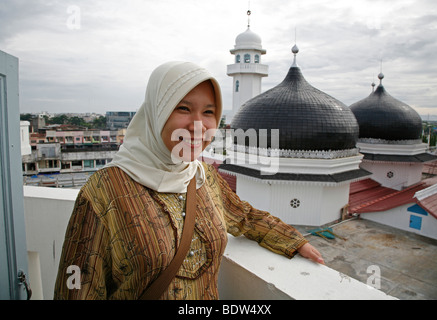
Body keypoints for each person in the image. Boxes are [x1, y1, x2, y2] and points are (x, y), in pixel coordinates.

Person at [54, 61, 324, 300]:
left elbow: (245, 217)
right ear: (157, 111)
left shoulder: (202, 176)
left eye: (208, 112)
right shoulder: (103, 191)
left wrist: (294, 241)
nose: (198, 126)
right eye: (183, 108)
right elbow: (78, 287)